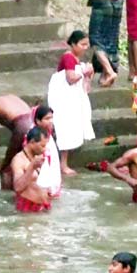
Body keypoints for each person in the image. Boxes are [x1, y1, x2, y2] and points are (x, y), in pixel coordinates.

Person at [47, 30, 95, 176]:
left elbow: (85, 86)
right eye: (82, 44)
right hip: (64, 100)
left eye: (87, 45)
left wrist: (88, 75)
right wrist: (84, 72)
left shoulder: (77, 60)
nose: (85, 47)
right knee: (64, 129)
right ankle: (63, 164)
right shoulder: (68, 57)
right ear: (73, 44)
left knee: (69, 128)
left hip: (73, 100)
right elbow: (70, 78)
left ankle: (62, 163)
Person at [77, 0, 123, 87]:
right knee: (111, 38)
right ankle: (106, 72)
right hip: (117, 1)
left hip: (102, 2)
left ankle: (109, 71)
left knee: (96, 39)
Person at [11, 127, 51, 213]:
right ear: (32, 142)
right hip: (28, 209)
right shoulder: (18, 160)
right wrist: (32, 167)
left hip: (43, 207)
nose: (45, 149)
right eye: (42, 146)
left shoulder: (38, 157)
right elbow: (17, 187)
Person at [32, 105, 62, 197]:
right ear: (38, 121)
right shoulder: (34, 137)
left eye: (51, 118)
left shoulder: (48, 133)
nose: (51, 121)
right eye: (47, 118)